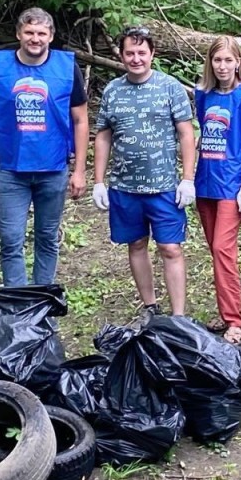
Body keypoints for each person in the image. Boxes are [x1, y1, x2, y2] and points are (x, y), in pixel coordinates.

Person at [0, 8, 89, 286]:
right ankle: (18, 303)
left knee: (47, 238)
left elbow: (81, 119)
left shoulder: (66, 67)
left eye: (41, 33)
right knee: (11, 239)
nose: (35, 38)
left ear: (50, 36)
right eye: (29, 32)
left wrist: (80, 170)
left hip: (53, 168)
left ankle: (42, 300)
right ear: (18, 34)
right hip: (13, 169)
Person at [93, 26, 196, 319]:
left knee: (170, 247)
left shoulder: (170, 87)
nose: (136, 58)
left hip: (163, 186)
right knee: (136, 244)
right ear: (122, 55)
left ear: (152, 54)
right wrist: (98, 182)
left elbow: (186, 134)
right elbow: (103, 135)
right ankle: (150, 307)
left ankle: (177, 316)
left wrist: (187, 179)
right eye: (130, 53)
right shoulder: (113, 90)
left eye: (141, 52)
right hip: (124, 188)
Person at [194, 36, 241, 345]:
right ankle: (225, 313)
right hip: (205, 182)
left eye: (228, 60)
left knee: (223, 249)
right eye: (217, 60)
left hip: (232, 185)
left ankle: (234, 320)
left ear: (238, 62)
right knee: (216, 251)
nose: (222, 66)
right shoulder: (203, 95)